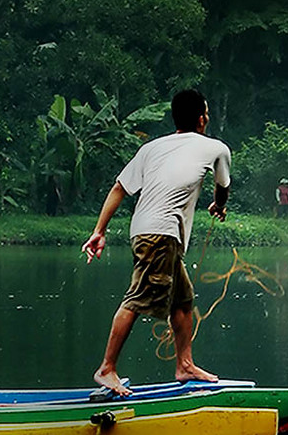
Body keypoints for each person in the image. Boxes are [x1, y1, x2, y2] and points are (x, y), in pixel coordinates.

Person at [81, 89, 231, 397]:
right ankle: (107, 369)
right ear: (202, 119)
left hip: (146, 230)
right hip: (160, 234)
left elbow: (119, 189)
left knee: (183, 298)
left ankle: (185, 365)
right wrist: (218, 206)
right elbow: (223, 187)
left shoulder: (152, 148)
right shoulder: (216, 147)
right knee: (137, 298)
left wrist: (99, 230)